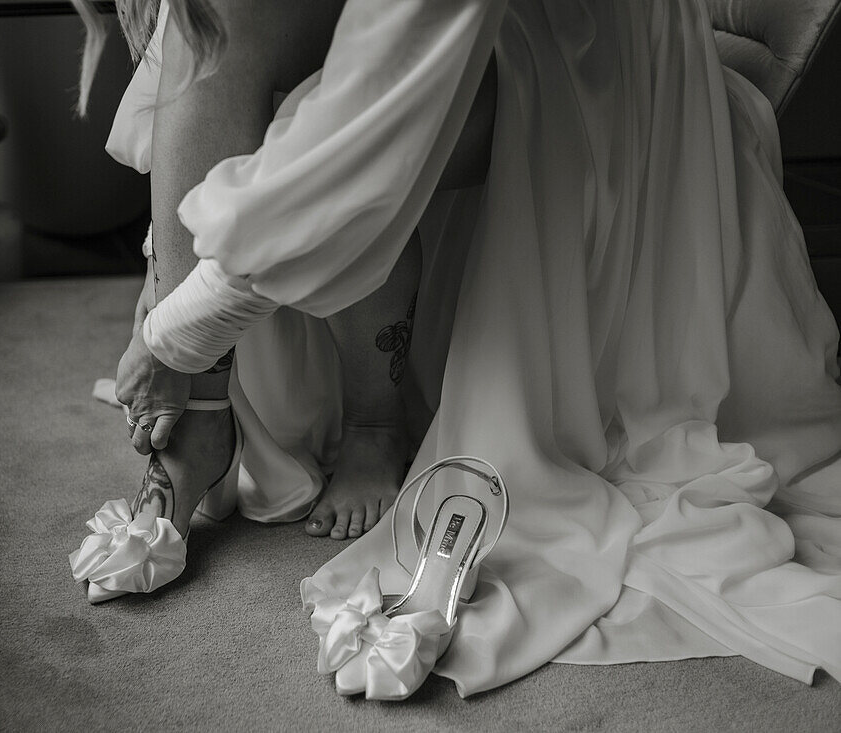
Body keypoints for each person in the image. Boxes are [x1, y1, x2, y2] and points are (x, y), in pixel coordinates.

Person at [74, 0, 841, 696]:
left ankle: (376, 420)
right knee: (207, 28)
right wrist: (165, 280)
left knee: (314, 120)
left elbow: (375, 140)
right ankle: (204, 420)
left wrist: (171, 334)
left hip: (563, 34)